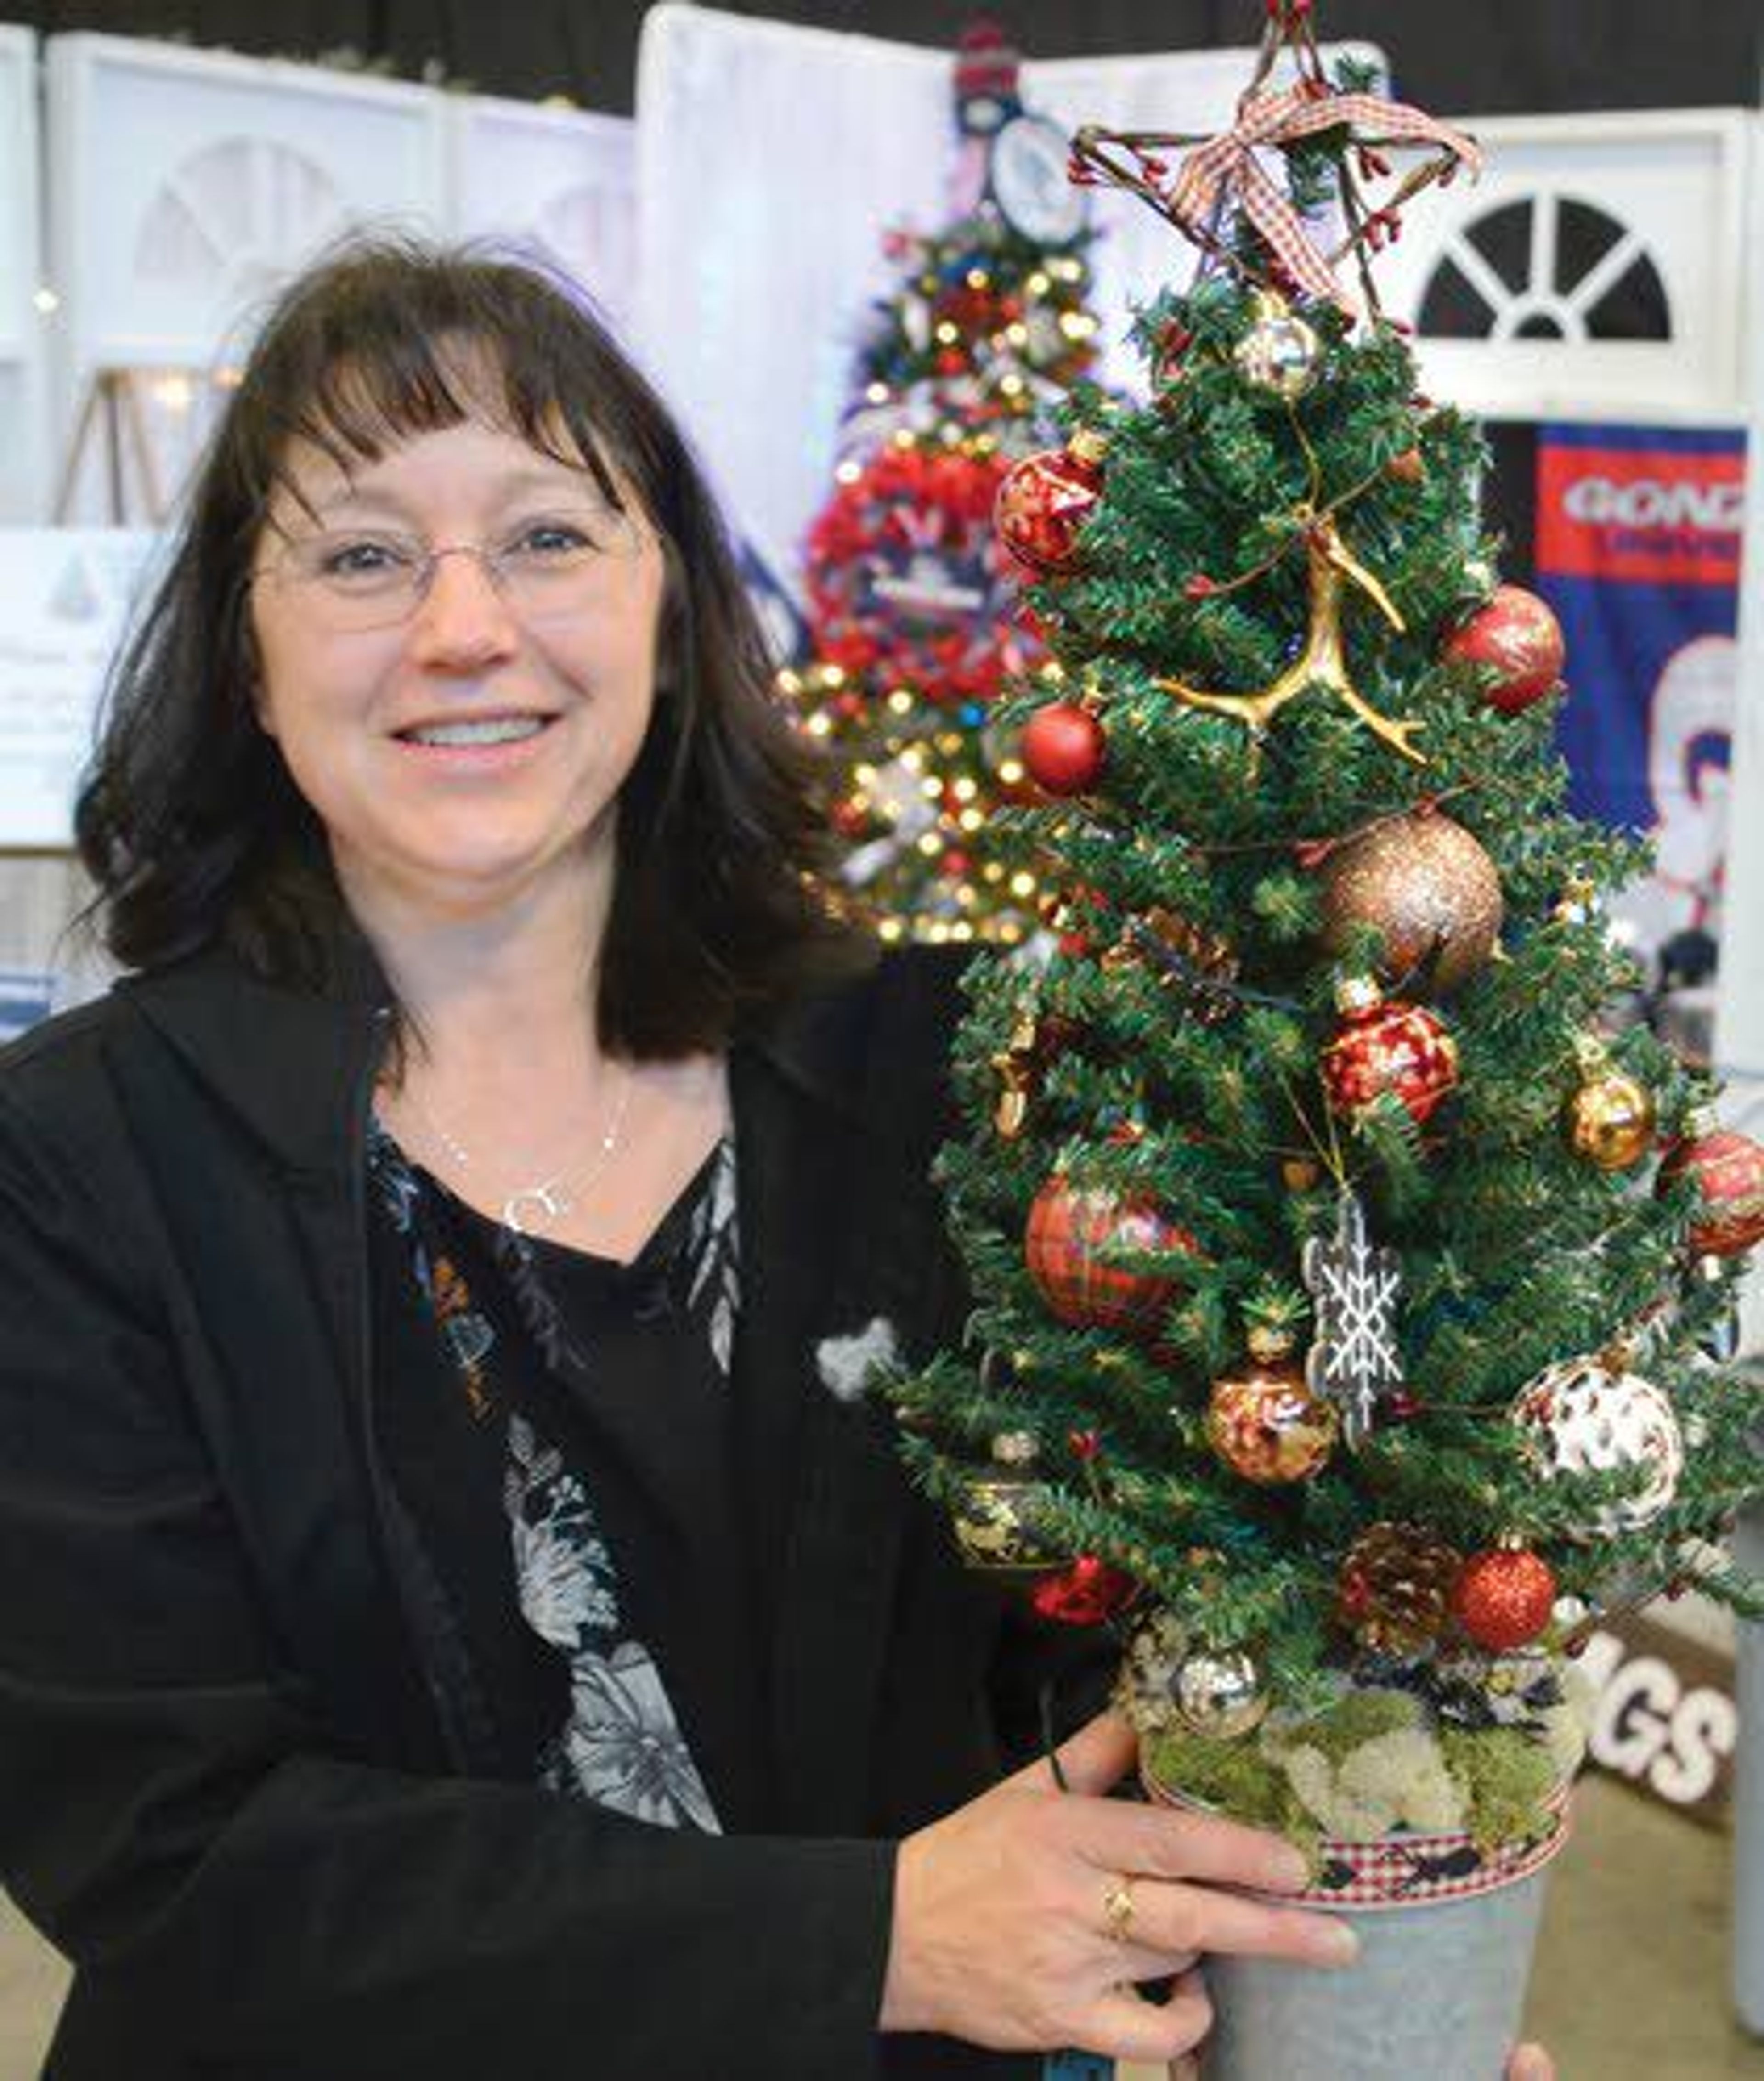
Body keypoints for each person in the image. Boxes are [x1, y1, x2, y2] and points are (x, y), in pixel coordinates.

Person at [0, 238, 1553, 2081]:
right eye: (359, 554)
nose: (464, 624)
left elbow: (1097, 1634)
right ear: (248, 664)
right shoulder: (80, 1161)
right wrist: (872, 1939)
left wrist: (1308, 1998)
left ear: (672, 606)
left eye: (549, 536)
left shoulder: (945, 1068)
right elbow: (175, 1851)